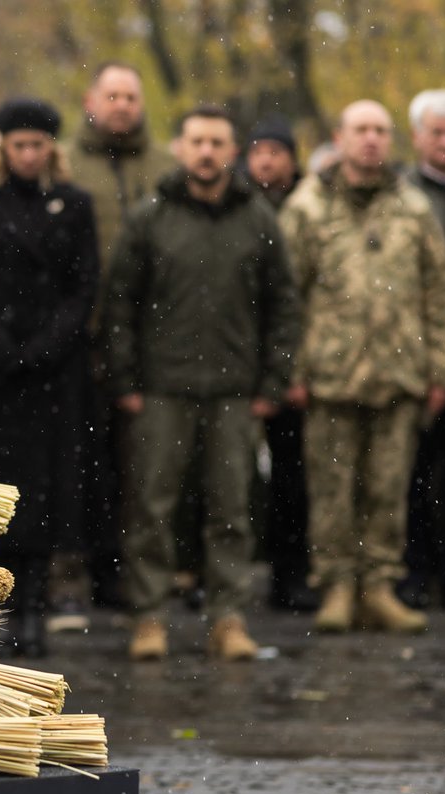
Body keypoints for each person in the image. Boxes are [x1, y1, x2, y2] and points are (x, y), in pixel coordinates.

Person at [106, 105, 298, 661]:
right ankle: (149, 618)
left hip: (236, 390)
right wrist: (126, 378)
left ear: (232, 151)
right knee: (152, 507)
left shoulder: (257, 218)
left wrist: (274, 379)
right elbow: (121, 302)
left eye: (217, 142)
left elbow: (283, 304)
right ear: (180, 148)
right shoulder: (151, 217)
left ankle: (228, 618)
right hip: (162, 387)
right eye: (198, 141)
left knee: (231, 510)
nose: (207, 151)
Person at [280, 100, 445, 635]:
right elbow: (287, 297)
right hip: (330, 374)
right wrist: (292, 369)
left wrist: (438, 369)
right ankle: (336, 586)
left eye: (380, 130)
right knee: (331, 488)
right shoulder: (307, 207)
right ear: (341, 136)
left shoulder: (413, 207)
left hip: (400, 372)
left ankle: (379, 586)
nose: (371, 139)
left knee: (388, 487)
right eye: (361, 130)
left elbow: (438, 292)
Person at [0, 98, 97, 654]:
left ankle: (32, 605)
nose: (29, 155)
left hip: (50, 373)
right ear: (2, 147)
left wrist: (44, 346)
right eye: (19, 145)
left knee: (42, 491)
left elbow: (83, 287)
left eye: (38, 145)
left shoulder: (74, 205)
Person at [61, 61, 177, 611]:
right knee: (83, 458)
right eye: (113, 96)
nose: (122, 106)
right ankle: (82, 569)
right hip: (80, 334)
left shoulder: (165, 167)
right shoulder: (67, 164)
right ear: (92, 99)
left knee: (142, 464)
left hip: (151, 339)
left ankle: (132, 574)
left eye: (131, 96)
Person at [242, 116, 318, 613]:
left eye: (277, 150)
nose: (267, 160)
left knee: (293, 477)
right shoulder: (235, 209)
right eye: (259, 151)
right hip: (237, 361)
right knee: (232, 479)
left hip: (294, 362)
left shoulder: (311, 209)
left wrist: (294, 368)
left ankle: (290, 575)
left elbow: (303, 301)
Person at [400, 90, 445, 609]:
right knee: (413, 475)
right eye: (437, 131)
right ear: (417, 137)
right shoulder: (403, 199)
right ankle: (415, 573)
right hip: (418, 357)